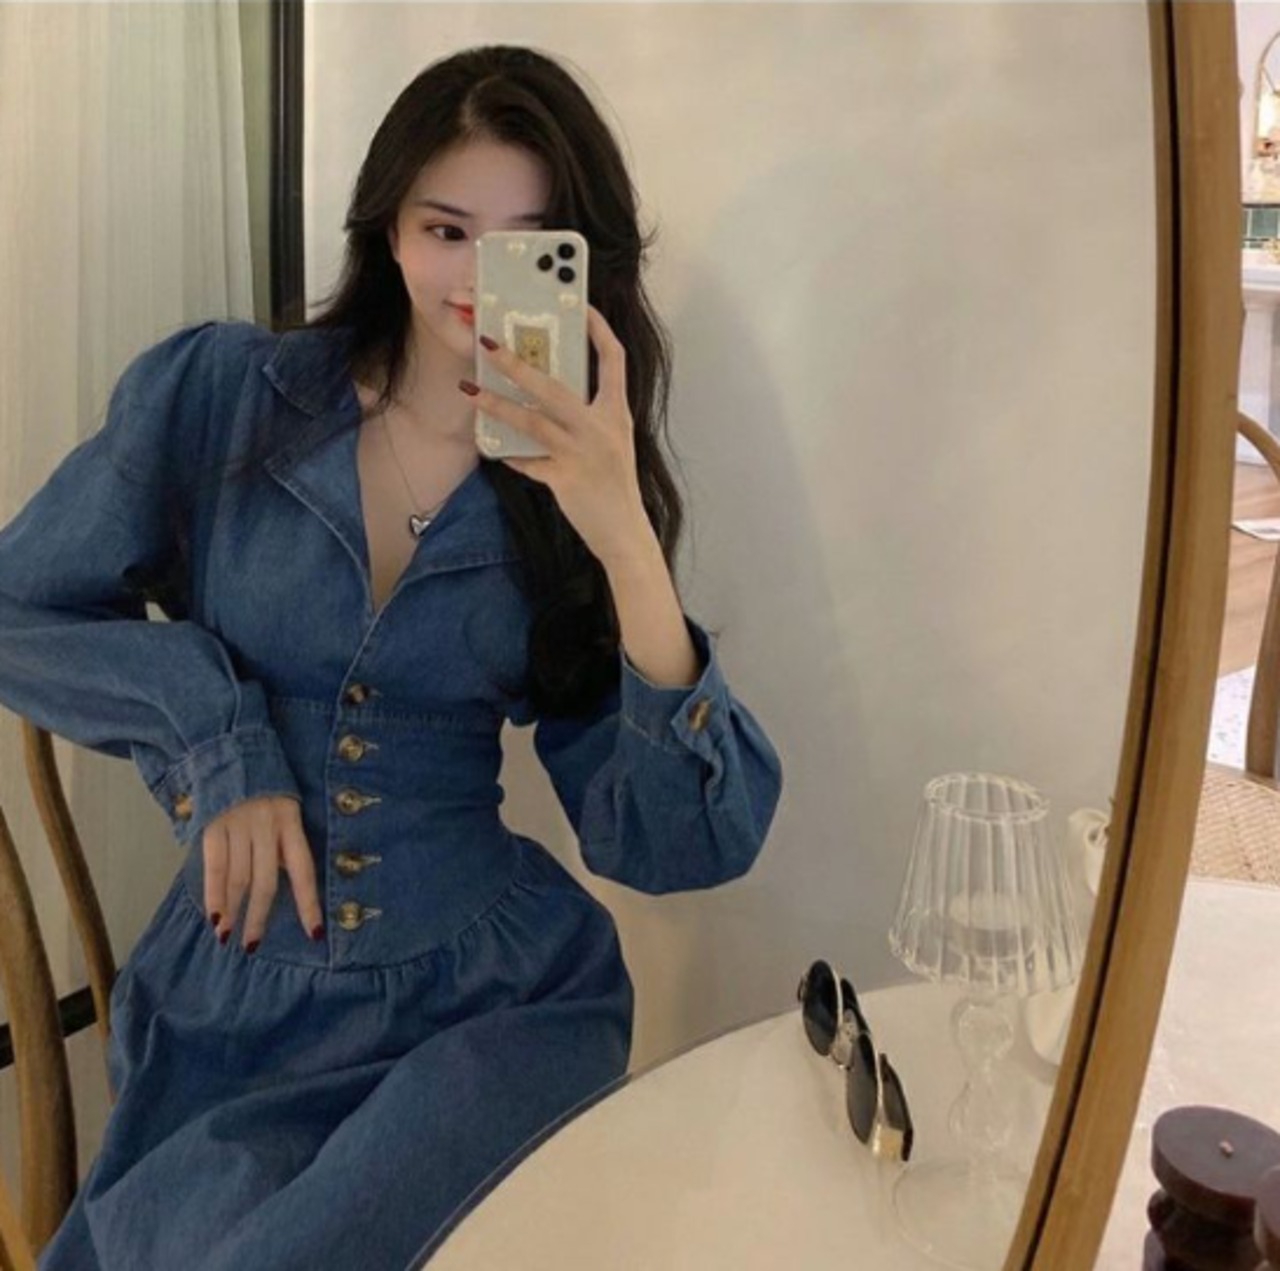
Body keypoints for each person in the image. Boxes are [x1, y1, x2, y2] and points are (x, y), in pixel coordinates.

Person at [0, 44, 782, 1271]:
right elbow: (17, 605)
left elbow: (675, 845)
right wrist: (215, 737)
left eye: (526, 241)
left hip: (489, 1005)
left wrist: (623, 531)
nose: (476, 276)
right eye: (445, 229)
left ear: (579, 261)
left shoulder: (573, 475)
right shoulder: (226, 396)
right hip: (239, 997)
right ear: (388, 230)